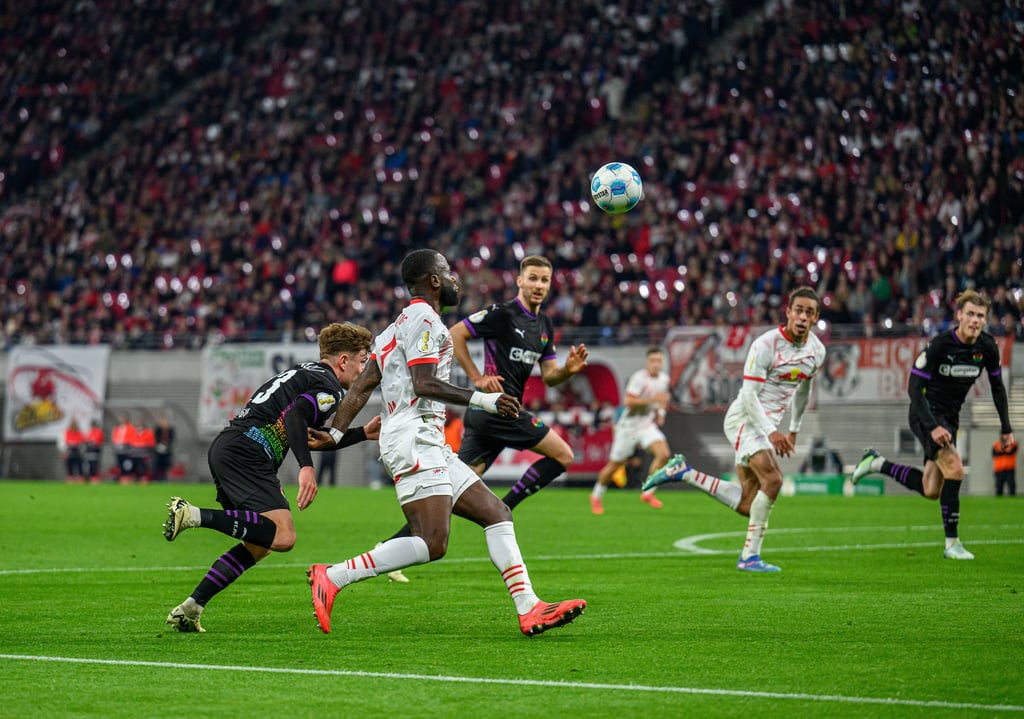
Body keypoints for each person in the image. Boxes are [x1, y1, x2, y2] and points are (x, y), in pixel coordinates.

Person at [305, 249, 586, 637]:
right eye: (448, 272)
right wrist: (483, 399)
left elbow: (363, 385)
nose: (455, 278)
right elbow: (424, 383)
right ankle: (333, 576)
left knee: (497, 513)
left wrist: (336, 434)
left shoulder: (394, 327)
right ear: (435, 281)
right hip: (414, 438)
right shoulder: (423, 319)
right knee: (433, 543)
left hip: (426, 440)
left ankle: (530, 608)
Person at [378, 254, 589, 582]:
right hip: (497, 410)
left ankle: (389, 550)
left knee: (448, 490)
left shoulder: (544, 325)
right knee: (564, 455)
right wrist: (477, 378)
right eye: (532, 278)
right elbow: (456, 333)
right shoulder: (502, 314)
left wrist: (568, 371)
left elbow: (550, 376)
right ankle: (505, 509)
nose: (538, 285)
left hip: (496, 413)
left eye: (544, 280)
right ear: (520, 281)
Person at [160, 322, 378, 632]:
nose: (363, 369)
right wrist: (306, 467)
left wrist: (362, 433)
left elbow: (310, 435)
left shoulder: (305, 373)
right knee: (284, 537)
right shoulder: (329, 388)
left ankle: (191, 608)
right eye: (362, 360)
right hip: (249, 452)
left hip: (232, 447)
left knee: (260, 543)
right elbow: (295, 417)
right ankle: (193, 515)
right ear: (344, 360)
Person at [643, 287, 827, 572]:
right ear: (788, 312)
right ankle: (750, 557)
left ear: (815, 318)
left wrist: (794, 428)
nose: (802, 317)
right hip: (745, 419)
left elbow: (804, 388)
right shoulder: (765, 345)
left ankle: (684, 472)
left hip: (766, 425)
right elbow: (750, 396)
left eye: (809, 313)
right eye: (798, 311)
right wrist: (772, 432)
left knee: (747, 503)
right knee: (774, 480)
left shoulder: (816, 352)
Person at [852, 290, 1014, 559]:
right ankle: (952, 544)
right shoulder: (940, 345)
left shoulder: (987, 347)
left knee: (930, 489)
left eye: (980, 315)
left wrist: (1006, 427)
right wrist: (932, 426)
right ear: (959, 315)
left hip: (949, 418)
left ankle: (877, 463)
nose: (975, 320)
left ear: (985, 319)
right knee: (955, 467)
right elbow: (914, 388)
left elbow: (998, 388)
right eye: (970, 314)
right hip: (925, 413)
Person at [589, 346, 673, 514]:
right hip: (628, 427)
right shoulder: (639, 378)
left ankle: (648, 492)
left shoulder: (664, 379)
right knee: (614, 465)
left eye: (659, 361)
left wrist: (661, 413)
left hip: (646, 425)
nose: (656, 364)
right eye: (653, 360)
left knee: (664, 454)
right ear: (647, 362)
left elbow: (663, 399)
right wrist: (653, 400)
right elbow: (628, 402)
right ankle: (596, 496)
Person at [61, 419, 86, 484]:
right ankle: (70, 479)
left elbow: (83, 442)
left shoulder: (80, 432)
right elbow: (64, 443)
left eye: (75, 424)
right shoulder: (67, 432)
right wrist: (64, 452)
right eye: (73, 424)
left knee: (79, 465)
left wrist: (79, 447)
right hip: (69, 452)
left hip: (78, 452)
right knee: (69, 466)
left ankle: (80, 478)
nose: (74, 426)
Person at [152, 415, 175, 482]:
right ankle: (156, 478)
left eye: (164, 421)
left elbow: (172, 439)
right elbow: (156, 438)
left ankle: (164, 478)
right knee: (157, 464)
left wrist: (167, 445)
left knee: (165, 465)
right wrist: (160, 445)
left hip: (167, 450)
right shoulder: (158, 429)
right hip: (158, 449)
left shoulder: (170, 430)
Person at [84, 419, 104, 484]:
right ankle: (90, 478)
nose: (92, 426)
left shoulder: (98, 432)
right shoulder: (89, 432)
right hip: (89, 451)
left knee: (95, 465)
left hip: (95, 451)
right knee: (89, 465)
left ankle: (95, 478)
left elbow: (98, 440)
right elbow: (86, 440)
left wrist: (92, 442)